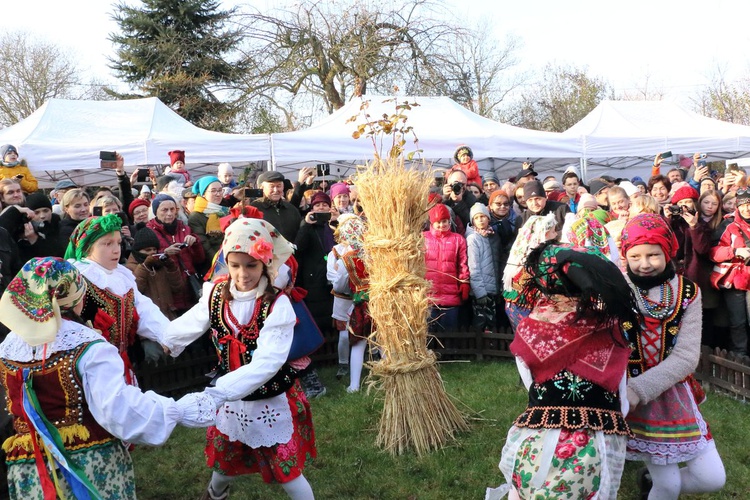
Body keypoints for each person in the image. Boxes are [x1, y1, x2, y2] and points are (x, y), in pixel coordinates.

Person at [0, 257, 216, 499]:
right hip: (89, 466)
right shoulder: (88, 347)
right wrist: (176, 409)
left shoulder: (9, 347)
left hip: (30, 469)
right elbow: (118, 412)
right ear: (76, 296)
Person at [164, 218, 317, 500]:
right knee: (225, 458)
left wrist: (218, 393)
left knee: (287, 471)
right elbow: (189, 323)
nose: (242, 274)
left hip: (269, 395)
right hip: (231, 398)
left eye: (251, 265)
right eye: (234, 265)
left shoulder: (277, 304)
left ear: (265, 265)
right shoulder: (215, 294)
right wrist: (166, 339)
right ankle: (214, 494)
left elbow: (268, 362)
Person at [486, 242, 638, 500]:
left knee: (530, 488)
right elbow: (620, 393)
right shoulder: (610, 329)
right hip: (596, 441)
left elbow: (530, 381)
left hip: (539, 434)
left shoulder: (531, 329)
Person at [621, 214, 726, 499]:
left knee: (712, 478)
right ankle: (655, 488)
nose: (644, 264)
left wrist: (638, 389)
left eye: (653, 255)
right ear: (625, 255)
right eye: (635, 256)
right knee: (669, 486)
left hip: (672, 390)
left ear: (668, 251)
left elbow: (686, 358)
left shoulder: (688, 291)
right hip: (628, 397)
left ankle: (648, 482)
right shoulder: (616, 290)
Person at [65, 214, 175, 381]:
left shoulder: (122, 277)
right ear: (87, 247)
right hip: (90, 369)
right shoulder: (77, 279)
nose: (117, 250)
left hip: (122, 362)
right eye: (107, 243)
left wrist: (168, 335)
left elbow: (145, 310)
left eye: (118, 242)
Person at [147, 194, 206, 313]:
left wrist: (195, 243)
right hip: (168, 291)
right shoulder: (149, 232)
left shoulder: (185, 228)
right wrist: (164, 254)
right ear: (156, 211)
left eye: (172, 209)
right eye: (164, 210)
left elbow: (199, 260)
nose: (169, 213)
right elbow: (146, 263)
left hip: (190, 288)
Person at [502, 213, 557, 331]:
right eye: (553, 232)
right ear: (543, 235)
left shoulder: (523, 255)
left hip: (519, 306)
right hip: (525, 308)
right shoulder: (534, 259)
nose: (556, 235)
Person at [424, 203, 469, 331]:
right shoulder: (423, 238)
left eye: (445, 221)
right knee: (429, 335)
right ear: (432, 223)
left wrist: (464, 282)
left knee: (449, 334)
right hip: (429, 296)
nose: (442, 225)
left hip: (450, 295)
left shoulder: (458, 239)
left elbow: (462, 263)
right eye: (438, 222)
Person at [126, 226, 184, 320]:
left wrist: (171, 267)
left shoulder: (160, 265)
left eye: (154, 249)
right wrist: (145, 266)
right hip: (147, 320)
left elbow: (177, 288)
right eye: (147, 250)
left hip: (167, 316)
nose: (152, 253)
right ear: (138, 251)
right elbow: (136, 291)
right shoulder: (130, 267)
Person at [466, 203, 499, 333]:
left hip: (492, 289)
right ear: (472, 220)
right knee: (481, 324)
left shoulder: (491, 236)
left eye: (483, 216)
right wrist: (480, 292)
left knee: (491, 323)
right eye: (477, 217)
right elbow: (473, 268)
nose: (480, 220)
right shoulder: (473, 239)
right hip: (482, 291)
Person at [189, 176, 230, 268]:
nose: (218, 194)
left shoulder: (225, 211)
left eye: (220, 190)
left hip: (229, 259)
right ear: (203, 194)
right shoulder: (196, 216)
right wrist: (220, 263)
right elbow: (204, 246)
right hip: (213, 265)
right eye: (213, 191)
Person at [251, 171, 303, 243]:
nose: (276, 190)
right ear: (261, 188)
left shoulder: (291, 209)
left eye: (279, 186)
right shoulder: (253, 209)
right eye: (271, 186)